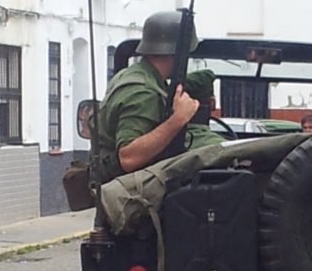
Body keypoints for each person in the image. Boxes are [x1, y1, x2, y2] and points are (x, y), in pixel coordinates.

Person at [94, 11, 225, 183]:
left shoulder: (133, 75)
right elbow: (128, 158)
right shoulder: (142, 92)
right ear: (177, 53)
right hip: (128, 196)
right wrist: (178, 119)